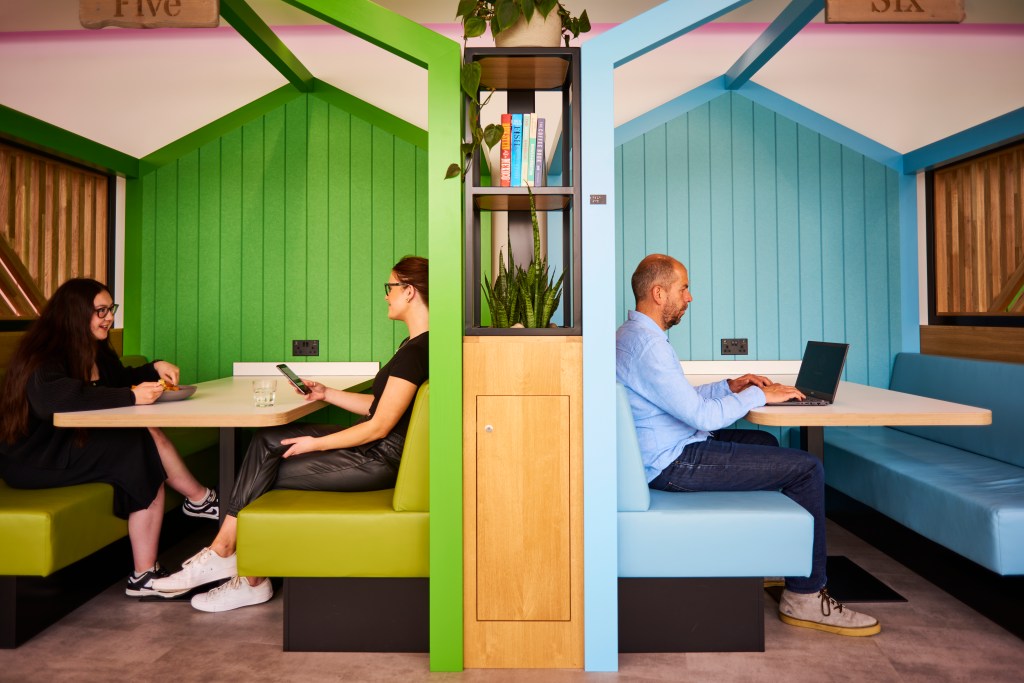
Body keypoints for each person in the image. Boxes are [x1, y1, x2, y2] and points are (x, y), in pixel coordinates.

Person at [616, 254, 880, 637]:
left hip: (669, 448)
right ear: (659, 293)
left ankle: (779, 557)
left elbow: (677, 399)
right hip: (673, 463)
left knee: (763, 440)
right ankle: (805, 596)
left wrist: (730, 386)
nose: (689, 297)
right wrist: (760, 396)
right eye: (683, 288)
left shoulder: (634, 336)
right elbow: (702, 417)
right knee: (808, 468)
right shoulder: (648, 346)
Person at [152, 256, 430, 612]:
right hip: (378, 449)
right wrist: (325, 393)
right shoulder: (414, 345)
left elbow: (379, 426)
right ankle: (232, 561)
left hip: (379, 459)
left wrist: (316, 444)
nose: (386, 295)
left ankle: (240, 568)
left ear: (409, 291)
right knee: (269, 439)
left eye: (390, 287)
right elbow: (379, 406)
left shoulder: (416, 351)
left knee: (264, 470)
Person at [0, 278, 219, 598]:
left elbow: (118, 381)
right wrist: (131, 397)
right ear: (75, 313)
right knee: (139, 449)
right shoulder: (45, 354)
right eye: (100, 311)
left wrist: (154, 368)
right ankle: (197, 506)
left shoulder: (94, 348)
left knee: (141, 442)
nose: (109, 317)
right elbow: (53, 401)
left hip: (70, 444)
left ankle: (162, 551)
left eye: (110, 309)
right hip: (36, 458)